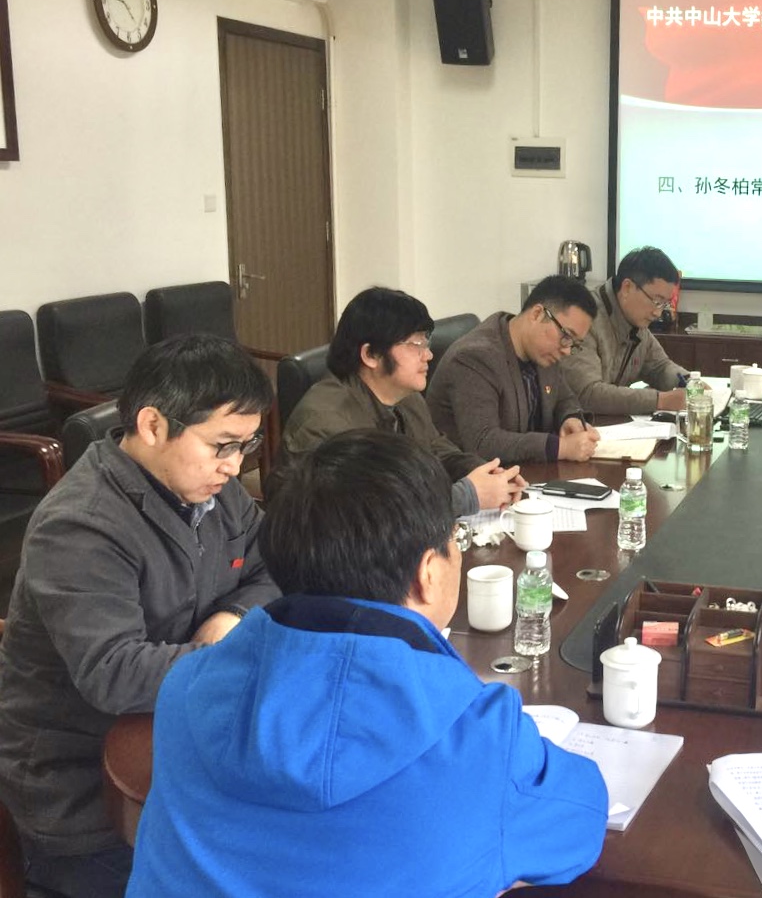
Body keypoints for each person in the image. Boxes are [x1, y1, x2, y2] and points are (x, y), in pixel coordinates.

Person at [125, 429, 608, 896]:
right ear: (427, 573)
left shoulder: (187, 687)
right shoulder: (479, 736)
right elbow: (583, 818)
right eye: (455, 540)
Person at [0, 334, 281, 898]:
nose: (235, 466)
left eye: (245, 446)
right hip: (84, 790)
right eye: (222, 445)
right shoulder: (81, 524)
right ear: (153, 425)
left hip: (178, 739)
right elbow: (114, 672)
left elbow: (272, 567)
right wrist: (228, 654)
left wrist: (231, 613)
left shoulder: (212, 491)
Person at [271, 286, 525, 514]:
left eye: (426, 341)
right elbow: (371, 512)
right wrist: (465, 496)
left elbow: (436, 450)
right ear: (370, 355)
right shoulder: (324, 423)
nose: (428, 355)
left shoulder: (405, 396)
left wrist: (487, 474)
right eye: (415, 344)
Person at [428, 275, 601, 465]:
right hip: (468, 476)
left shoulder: (542, 351)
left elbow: (564, 398)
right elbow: (483, 442)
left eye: (574, 343)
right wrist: (560, 447)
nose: (567, 350)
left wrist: (569, 418)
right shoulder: (475, 357)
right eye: (567, 336)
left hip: (528, 471)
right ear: (537, 314)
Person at [561, 246, 690, 414]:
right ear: (627, 287)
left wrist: (689, 382)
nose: (658, 313)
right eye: (656, 301)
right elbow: (587, 394)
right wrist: (660, 401)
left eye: (664, 304)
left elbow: (659, 367)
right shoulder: (585, 317)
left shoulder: (635, 321)